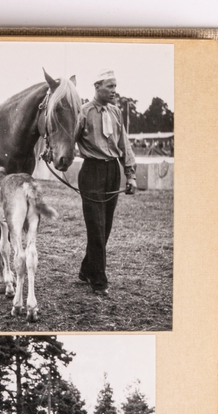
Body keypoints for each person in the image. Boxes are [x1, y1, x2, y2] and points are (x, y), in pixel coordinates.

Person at [75, 69, 138, 296]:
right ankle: (99, 280)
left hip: (113, 171)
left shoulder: (116, 112)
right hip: (91, 171)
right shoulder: (82, 113)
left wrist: (129, 174)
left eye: (115, 86)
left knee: (105, 227)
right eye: (109, 86)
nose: (114, 90)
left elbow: (125, 144)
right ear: (97, 86)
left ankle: (86, 269)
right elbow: (67, 140)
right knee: (97, 227)